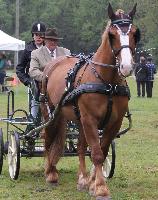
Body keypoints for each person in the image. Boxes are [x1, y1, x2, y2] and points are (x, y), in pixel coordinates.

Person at [16, 21, 46, 118]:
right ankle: (33, 123)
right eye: (36, 35)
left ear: (44, 36)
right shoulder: (27, 50)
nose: (38, 37)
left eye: (41, 35)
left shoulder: (49, 49)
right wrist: (27, 81)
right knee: (34, 111)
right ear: (33, 35)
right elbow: (19, 69)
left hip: (49, 82)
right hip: (34, 84)